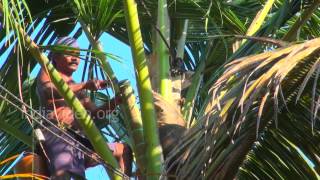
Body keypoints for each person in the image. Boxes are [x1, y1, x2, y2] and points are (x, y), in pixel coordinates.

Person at [36, 37, 132, 179]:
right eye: (69, 54)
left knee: (124, 150)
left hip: (81, 142)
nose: (75, 58)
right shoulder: (48, 71)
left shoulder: (78, 88)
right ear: (56, 57)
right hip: (58, 136)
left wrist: (115, 101)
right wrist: (86, 85)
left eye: (77, 55)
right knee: (64, 175)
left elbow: (95, 113)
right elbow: (48, 91)